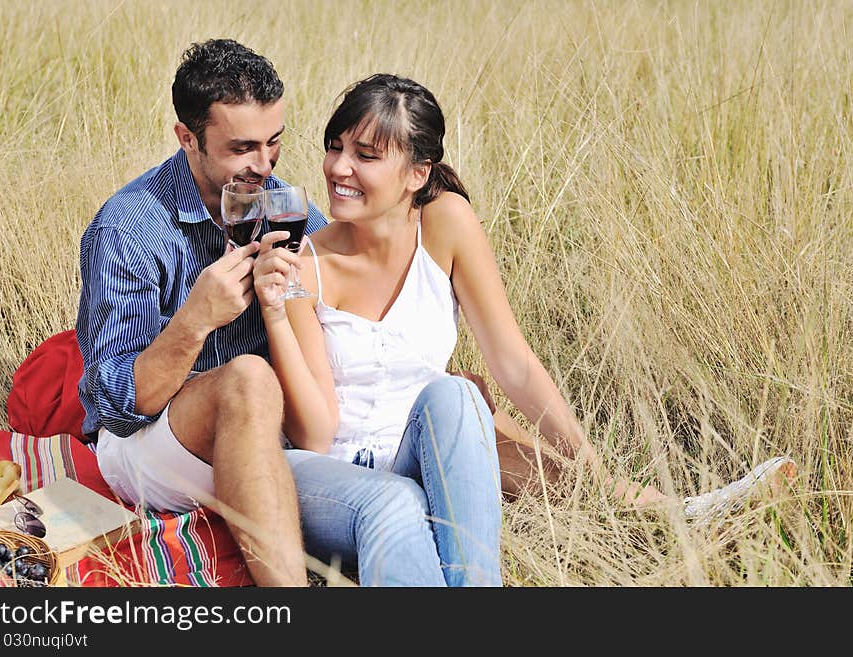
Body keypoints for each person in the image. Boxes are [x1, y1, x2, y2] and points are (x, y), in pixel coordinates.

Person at [254, 73, 797, 544]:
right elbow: (317, 428)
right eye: (335, 147)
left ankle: (671, 512)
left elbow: (512, 362)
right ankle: (665, 513)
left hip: (436, 439)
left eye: (365, 156)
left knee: (476, 403)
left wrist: (587, 457)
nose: (338, 168)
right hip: (354, 474)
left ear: (418, 173)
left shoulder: (446, 223)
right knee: (473, 409)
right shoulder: (305, 264)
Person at [77, 41, 481, 588]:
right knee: (249, 378)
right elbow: (115, 406)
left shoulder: (288, 210)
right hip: (152, 445)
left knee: (408, 477)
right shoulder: (129, 226)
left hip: (265, 443)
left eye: (274, 144)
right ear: (187, 138)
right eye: (242, 148)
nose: (263, 166)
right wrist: (195, 320)